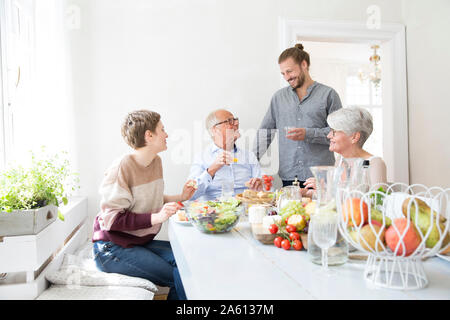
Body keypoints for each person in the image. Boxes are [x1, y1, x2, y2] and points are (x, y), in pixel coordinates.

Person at [92, 109, 197, 300]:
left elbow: (150, 198)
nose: (167, 135)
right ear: (149, 135)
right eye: (162, 130)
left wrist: (180, 196)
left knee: (186, 258)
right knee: (181, 273)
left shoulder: (156, 161)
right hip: (111, 248)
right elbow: (112, 219)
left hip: (136, 243)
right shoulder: (122, 167)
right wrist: (158, 217)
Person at [254, 43, 342, 188]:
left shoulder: (328, 95)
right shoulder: (279, 97)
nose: (287, 77)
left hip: (320, 176)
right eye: (283, 73)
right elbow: (265, 133)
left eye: (289, 71)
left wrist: (308, 134)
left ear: (304, 64)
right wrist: (250, 163)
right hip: (289, 175)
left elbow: (338, 133)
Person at [304, 106, 387, 192]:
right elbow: (337, 199)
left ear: (354, 137)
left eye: (334, 132)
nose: (328, 136)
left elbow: (379, 202)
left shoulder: (375, 163)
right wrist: (316, 191)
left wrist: (325, 189)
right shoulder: (340, 160)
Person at [188, 109, 263, 201]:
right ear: (215, 130)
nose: (236, 124)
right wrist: (212, 169)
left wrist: (260, 186)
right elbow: (190, 195)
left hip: (246, 208)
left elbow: (265, 189)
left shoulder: (249, 156)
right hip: (215, 211)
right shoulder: (201, 158)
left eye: (235, 120)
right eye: (229, 121)